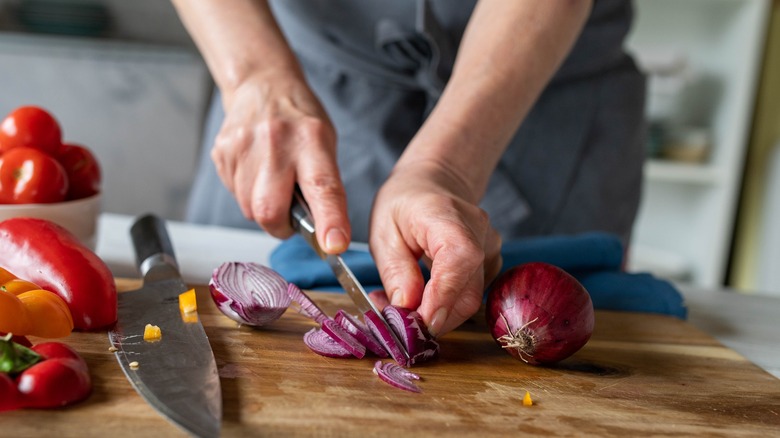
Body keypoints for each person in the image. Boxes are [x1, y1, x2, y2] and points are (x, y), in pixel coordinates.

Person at [172, 0, 647, 337]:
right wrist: (256, 77)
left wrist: (446, 167)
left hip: (538, 84)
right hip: (287, 68)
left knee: (547, 315)